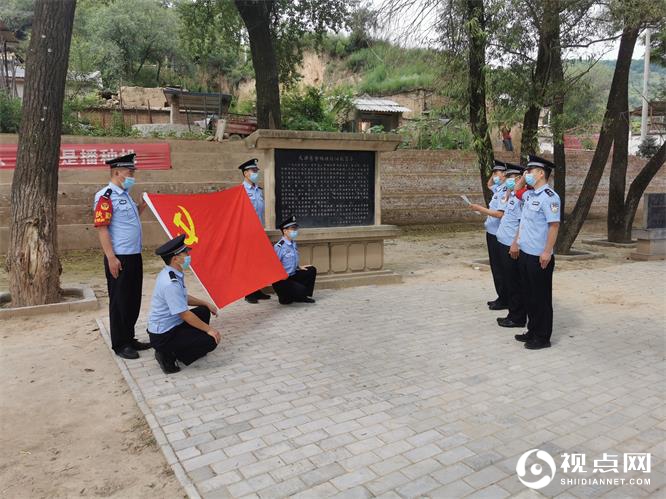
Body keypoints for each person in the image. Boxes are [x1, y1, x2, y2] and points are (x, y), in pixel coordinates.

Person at [93, 153, 150, 360]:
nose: (132, 175)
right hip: (120, 258)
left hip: (134, 255)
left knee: (133, 299)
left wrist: (142, 206)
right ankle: (120, 344)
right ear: (117, 172)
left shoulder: (125, 194)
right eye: (130, 172)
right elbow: (102, 229)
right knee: (120, 301)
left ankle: (130, 337)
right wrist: (111, 258)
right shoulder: (105, 197)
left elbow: (128, 219)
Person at [147, 234, 221, 374]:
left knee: (203, 310)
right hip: (164, 335)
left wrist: (205, 303)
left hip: (173, 324)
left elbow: (183, 298)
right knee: (210, 341)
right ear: (175, 259)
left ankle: (185, 346)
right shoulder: (170, 283)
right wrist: (209, 330)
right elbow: (184, 314)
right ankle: (168, 355)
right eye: (185, 253)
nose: (188, 255)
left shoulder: (172, 273)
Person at [510, 155, 561, 350]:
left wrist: (547, 251)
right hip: (525, 253)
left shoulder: (550, 197)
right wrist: (523, 178)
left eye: (530, 171)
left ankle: (542, 337)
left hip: (539, 256)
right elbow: (516, 190)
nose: (527, 174)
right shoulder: (530, 195)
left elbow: (554, 226)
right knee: (529, 296)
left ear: (541, 173)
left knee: (541, 298)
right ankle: (532, 330)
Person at [493, 163, 527, 329]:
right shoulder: (512, 195)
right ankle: (513, 314)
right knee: (509, 281)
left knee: (515, 283)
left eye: (511, 178)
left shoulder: (522, 198)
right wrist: (509, 190)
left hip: (511, 246)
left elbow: (522, 223)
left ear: (519, 179)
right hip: (503, 242)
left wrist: (515, 243)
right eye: (507, 177)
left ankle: (517, 317)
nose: (507, 180)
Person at [239, 158, 271, 304]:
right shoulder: (241, 191)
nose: (256, 173)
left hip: (259, 231)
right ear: (246, 173)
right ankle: (249, 293)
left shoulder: (258, 190)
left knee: (258, 262)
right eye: (253, 171)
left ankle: (258, 290)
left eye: (256, 171)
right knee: (248, 262)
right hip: (247, 232)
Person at [479, 160, 509, 310]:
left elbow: (499, 214)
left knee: (500, 269)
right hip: (491, 233)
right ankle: (501, 297)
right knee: (495, 268)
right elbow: (488, 185)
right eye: (494, 173)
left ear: (504, 175)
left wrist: (480, 209)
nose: (495, 177)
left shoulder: (505, 191)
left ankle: (504, 299)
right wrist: (493, 175)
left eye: (498, 173)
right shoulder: (498, 189)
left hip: (498, 236)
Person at [272, 216, 317, 305]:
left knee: (311, 270)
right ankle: (286, 296)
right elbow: (274, 265)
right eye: (292, 229)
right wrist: (281, 275)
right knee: (296, 294)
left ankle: (302, 297)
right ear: (285, 231)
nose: (295, 231)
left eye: (296, 228)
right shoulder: (279, 246)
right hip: (282, 280)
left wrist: (299, 267)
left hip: (292, 275)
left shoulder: (293, 243)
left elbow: (292, 259)